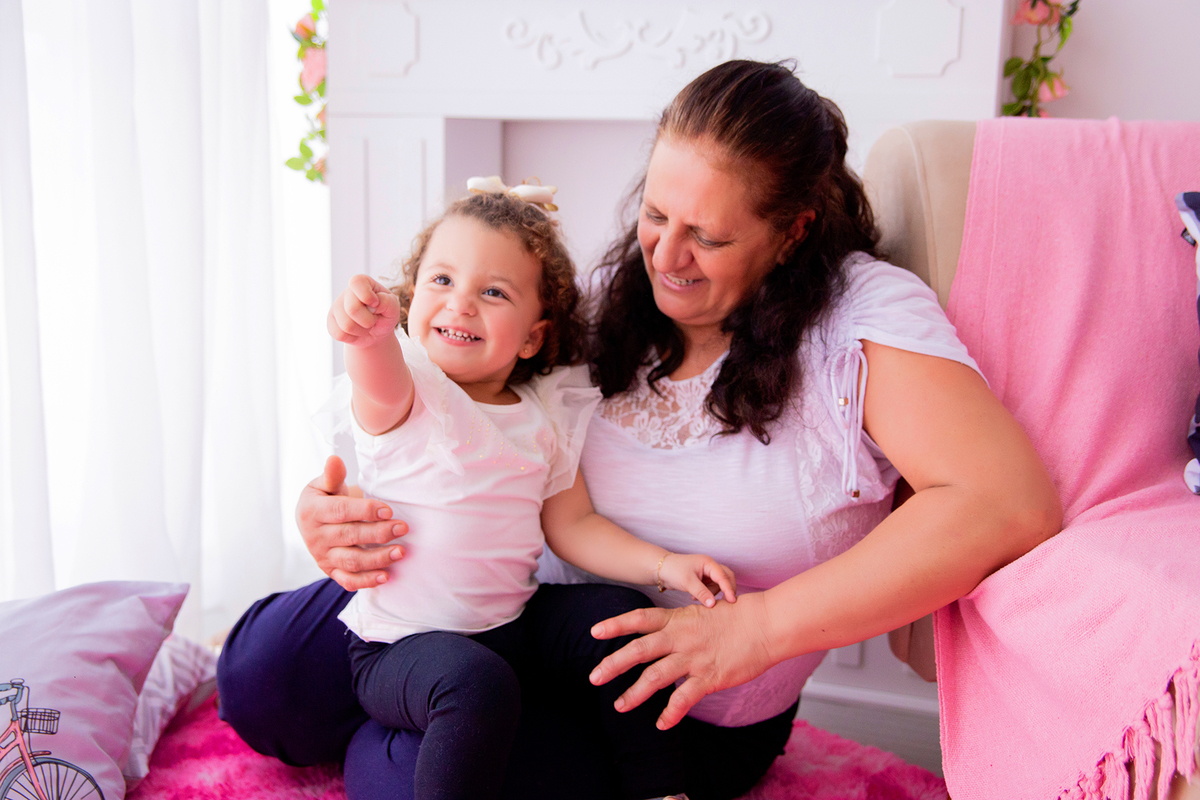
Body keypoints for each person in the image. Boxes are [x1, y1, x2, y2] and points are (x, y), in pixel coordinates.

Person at [217, 60, 1061, 800]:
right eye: (657, 214)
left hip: (655, 701)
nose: (667, 255)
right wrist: (335, 508)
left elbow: (1004, 502)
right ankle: (408, 707)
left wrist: (756, 630)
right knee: (259, 678)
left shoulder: (859, 316)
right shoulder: (608, 296)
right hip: (487, 608)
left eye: (709, 235)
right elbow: (450, 415)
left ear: (792, 229)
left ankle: (405, 727)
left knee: (404, 767)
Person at [320, 187, 736, 800]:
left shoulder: (541, 416)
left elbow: (573, 526)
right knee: (475, 685)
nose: (460, 303)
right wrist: (369, 335)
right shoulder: (409, 397)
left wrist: (666, 566)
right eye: (441, 280)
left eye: (493, 293)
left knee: (621, 619)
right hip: (401, 650)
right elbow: (376, 382)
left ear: (533, 339)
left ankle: (660, 790)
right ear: (410, 304)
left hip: (511, 624)